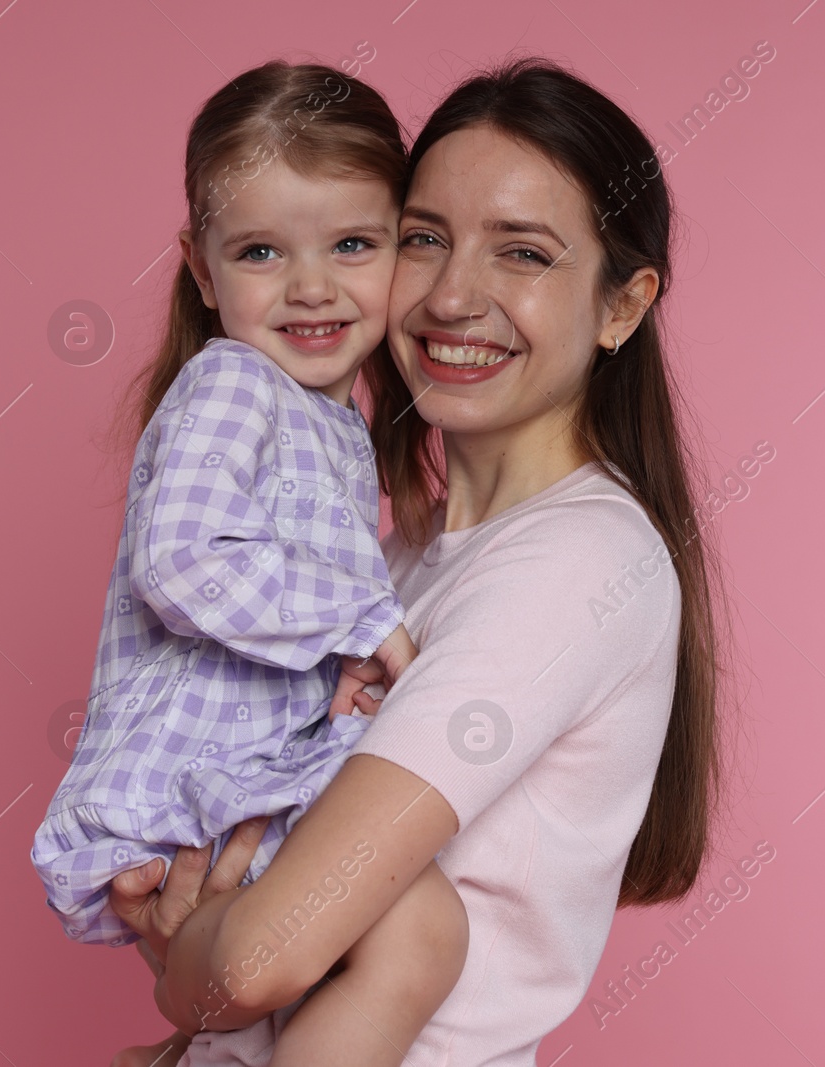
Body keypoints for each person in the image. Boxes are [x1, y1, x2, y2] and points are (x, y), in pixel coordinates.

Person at [107, 56, 725, 1067]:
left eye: (521, 254)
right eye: (424, 238)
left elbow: (258, 956)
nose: (451, 295)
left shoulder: (575, 561)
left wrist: (186, 967)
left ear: (621, 305)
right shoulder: (387, 560)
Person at [28, 61, 469, 1067]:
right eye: (263, 250)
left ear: (404, 247)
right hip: (196, 780)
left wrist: (347, 669)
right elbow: (181, 564)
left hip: (245, 770)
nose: (312, 286)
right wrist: (361, 620)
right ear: (200, 265)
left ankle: (172, 1053)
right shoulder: (232, 381)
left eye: (352, 244)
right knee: (418, 931)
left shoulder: (332, 421)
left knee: (329, 961)